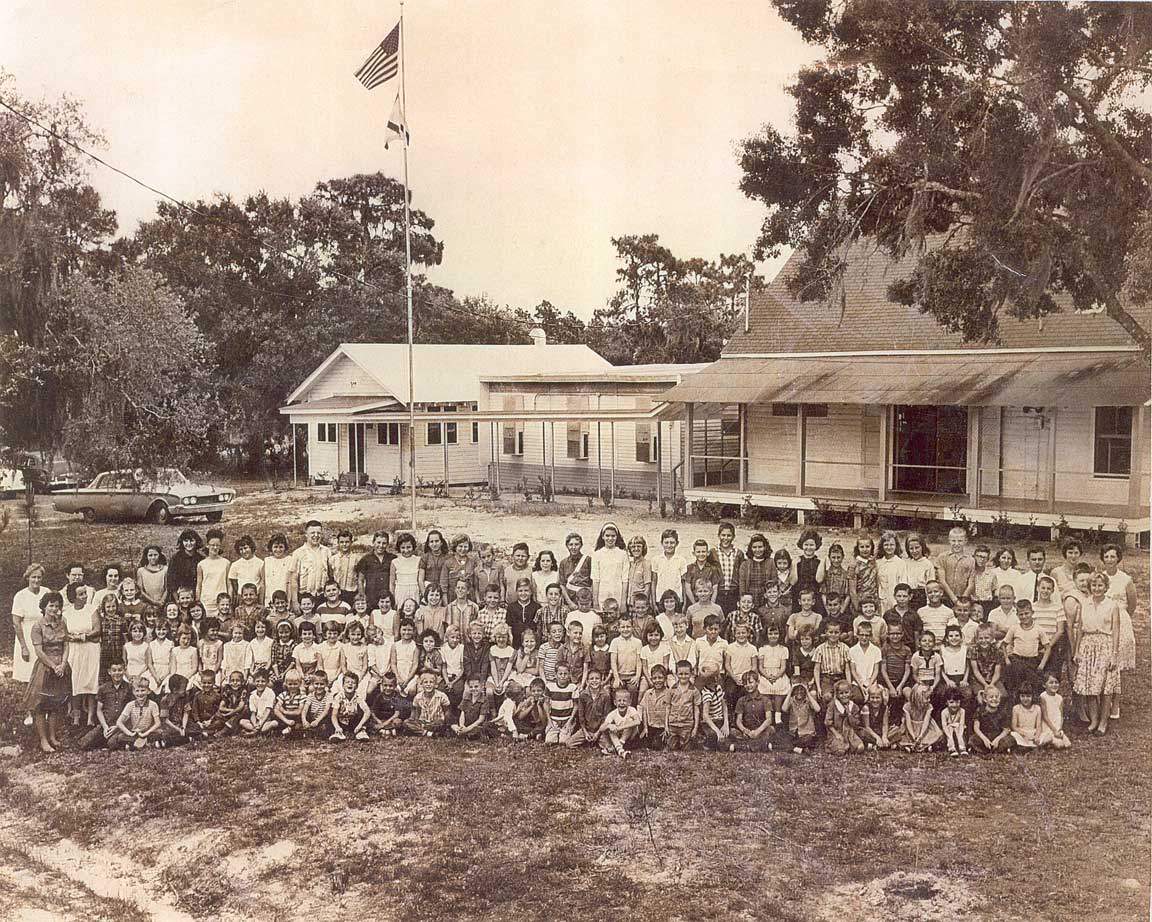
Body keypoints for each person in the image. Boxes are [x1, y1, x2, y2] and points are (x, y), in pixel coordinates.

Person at [1072, 572, 1121, 735]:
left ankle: (1103, 721)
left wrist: (1114, 654)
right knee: (1090, 684)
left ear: (1106, 587)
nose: (1097, 588)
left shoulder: (1112, 605)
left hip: (1105, 646)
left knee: (1105, 687)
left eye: (1100, 585)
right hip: (1087, 645)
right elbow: (1079, 629)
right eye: (1094, 585)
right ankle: (1094, 719)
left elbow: (1115, 631)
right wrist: (1077, 650)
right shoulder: (1084, 604)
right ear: (1090, 587)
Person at [64, 584, 100, 726]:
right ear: (73, 597)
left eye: (85, 593)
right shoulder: (67, 613)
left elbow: (97, 629)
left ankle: (90, 717)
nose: (85, 596)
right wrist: (71, 637)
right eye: (81, 594)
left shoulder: (92, 610)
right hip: (74, 650)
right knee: (75, 683)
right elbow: (64, 632)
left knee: (91, 683)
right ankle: (76, 717)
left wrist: (84, 636)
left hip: (90, 649)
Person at [80, 661, 134, 751]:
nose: (117, 673)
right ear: (109, 672)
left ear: (124, 671)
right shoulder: (103, 688)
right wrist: (105, 727)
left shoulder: (129, 688)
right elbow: (99, 710)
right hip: (106, 724)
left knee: (112, 743)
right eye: (114, 670)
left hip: (122, 725)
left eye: (120, 670)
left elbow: (132, 710)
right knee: (84, 744)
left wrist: (118, 726)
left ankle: (115, 741)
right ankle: (104, 740)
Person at [12, 563, 49, 688]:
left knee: (43, 674)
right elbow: (16, 623)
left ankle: (40, 705)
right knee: (27, 676)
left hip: (44, 636)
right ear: (27, 578)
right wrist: (23, 647)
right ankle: (26, 705)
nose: (36, 580)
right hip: (27, 637)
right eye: (33, 577)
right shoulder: (20, 596)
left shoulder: (46, 592)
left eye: (39, 577)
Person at [289, 521, 332, 612]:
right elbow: (293, 580)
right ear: (306, 534)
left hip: (322, 597)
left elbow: (330, 575)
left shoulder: (327, 551)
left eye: (318, 533)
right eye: (312, 533)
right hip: (304, 598)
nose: (316, 535)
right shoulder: (298, 553)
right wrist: (295, 602)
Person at [110, 677, 161, 750]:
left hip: (148, 732)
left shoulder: (153, 705)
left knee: (159, 733)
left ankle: (138, 743)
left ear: (148, 691)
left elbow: (158, 723)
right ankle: (142, 743)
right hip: (134, 733)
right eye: (137, 691)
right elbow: (119, 722)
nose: (140, 693)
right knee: (119, 738)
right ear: (133, 692)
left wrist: (145, 733)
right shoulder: (130, 705)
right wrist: (129, 733)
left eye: (143, 690)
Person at [591, 523, 628, 610]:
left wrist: (623, 602)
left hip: (617, 592)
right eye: (607, 536)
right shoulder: (597, 555)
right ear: (602, 537)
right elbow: (595, 579)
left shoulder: (623, 554)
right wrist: (595, 601)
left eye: (613, 536)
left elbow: (625, 580)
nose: (610, 539)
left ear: (617, 537)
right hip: (602, 593)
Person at [596, 688, 642, 758]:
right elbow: (601, 728)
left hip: (630, 737)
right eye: (619, 701)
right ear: (615, 702)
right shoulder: (612, 713)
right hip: (618, 737)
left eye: (624, 701)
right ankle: (621, 751)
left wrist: (620, 727)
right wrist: (609, 726)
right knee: (610, 729)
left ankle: (617, 747)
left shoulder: (632, 710)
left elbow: (637, 721)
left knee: (630, 722)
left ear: (629, 702)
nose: (622, 703)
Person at [637, 664, 672, 749]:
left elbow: (669, 711)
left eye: (660, 678)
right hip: (651, 726)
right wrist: (645, 728)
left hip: (662, 727)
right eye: (654, 678)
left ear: (665, 679)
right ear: (651, 679)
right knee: (640, 742)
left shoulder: (669, 693)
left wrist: (667, 727)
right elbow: (644, 710)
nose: (657, 681)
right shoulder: (648, 693)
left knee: (657, 745)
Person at [825, 680, 864, 755]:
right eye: (841, 693)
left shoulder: (854, 706)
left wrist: (849, 714)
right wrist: (837, 734)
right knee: (840, 751)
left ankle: (849, 746)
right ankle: (836, 747)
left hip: (850, 732)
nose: (844, 695)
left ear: (850, 693)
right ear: (837, 695)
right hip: (836, 732)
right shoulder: (833, 705)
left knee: (860, 747)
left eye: (846, 692)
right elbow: (828, 723)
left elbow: (855, 724)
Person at [713, 522, 744, 615]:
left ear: (733, 537)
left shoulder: (738, 553)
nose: (725, 538)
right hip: (718, 594)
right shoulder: (713, 552)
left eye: (729, 535)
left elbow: (741, 575)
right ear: (718, 536)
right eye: (723, 535)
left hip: (733, 594)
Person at [970, 685, 1013, 754]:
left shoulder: (1002, 711)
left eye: (996, 697)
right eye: (991, 697)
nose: (994, 699)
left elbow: (1006, 729)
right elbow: (976, 728)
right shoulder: (980, 710)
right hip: (984, 735)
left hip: (997, 735)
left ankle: (994, 749)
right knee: (973, 739)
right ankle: (988, 749)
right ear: (985, 699)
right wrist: (984, 739)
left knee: (1010, 739)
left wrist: (997, 740)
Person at [652, 528, 690, 605]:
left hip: (677, 600)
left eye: (672, 542)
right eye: (666, 542)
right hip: (660, 599)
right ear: (661, 543)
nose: (669, 545)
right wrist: (653, 602)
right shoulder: (656, 560)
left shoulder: (681, 560)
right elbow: (654, 582)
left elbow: (683, 583)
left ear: (677, 543)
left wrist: (685, 602)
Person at [780, 682, 820, 754]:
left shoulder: (808, 701)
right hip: (794, 732)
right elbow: (784, 709)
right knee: (783, 738)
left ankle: (794, 747)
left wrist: (807, 692)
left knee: (808, 739)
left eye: (801, 690)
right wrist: (790, 691)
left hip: (807, 733)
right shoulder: (792, 700)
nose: (799, 692)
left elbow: (817, 709)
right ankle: (801, 750)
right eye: (796, 690)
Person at [330, 672, 371, 740]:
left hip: (354, 721)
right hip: (341, 720)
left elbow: (367, 712)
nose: (350, 684)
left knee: (363, 712)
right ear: (343, 685)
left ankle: (361, 731)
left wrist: (359, 725)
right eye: (347, 682)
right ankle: (338, 733)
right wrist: (337, 727)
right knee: (331, 714)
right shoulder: (339, 697)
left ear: (357, 686)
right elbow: (334, 715)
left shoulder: (358, 696)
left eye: (353, 683)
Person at [899, 685, 941, 752]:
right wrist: (913, 736)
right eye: (927, 698)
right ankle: (910, 746)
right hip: (912, 728)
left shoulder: (928, 706)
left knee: (931, 736)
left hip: (924, 728)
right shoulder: (908, 706)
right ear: (918, 698)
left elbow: (926, 722)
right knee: (903, 737)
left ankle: (926, 746)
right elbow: (908, 723)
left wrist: (921, 735)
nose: (929, 700)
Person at [792, 528, 825, 613]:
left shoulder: (819, 562)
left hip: (814, 597)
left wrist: (822, 562)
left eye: (811, 545)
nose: (808, 548)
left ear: (816, 546)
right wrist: (794, 565)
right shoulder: (797, 561)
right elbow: (792, 581)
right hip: (799, 596)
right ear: (802, 545)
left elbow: (819, 579)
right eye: (806, 545)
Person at [1010, 683, 1051, 750]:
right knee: (1013, 735)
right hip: (1021, 734)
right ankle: (1026, 746)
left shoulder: (1037, 708)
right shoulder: (1016, 708)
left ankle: (1031, 745)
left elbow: (1038, 726)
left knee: (1048, 735)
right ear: (1019, 696)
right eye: (1022, 696)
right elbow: (1014, 727)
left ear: (1032, 696)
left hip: (1033, 733)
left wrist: (1036, 736)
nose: (1025, 699)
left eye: (1028, 696)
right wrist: (1024, 735)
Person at [166, 530, 203, 599]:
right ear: (182, 542)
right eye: (186, 541)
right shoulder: (175, 559)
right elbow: (171, 582)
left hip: (196, 595)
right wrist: (177, 599)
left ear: (196, 541)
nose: (189, 543)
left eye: (191, 541)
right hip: (179, 596)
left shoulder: (201, 559)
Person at [228, 536, 264, 605]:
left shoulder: (260, 563)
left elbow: (262, 582)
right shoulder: (235, 565)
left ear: (251, 547)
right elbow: (233, 584)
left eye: (245, 548)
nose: (244, 551)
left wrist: (261, 601)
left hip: (256, 597)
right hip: (241, 598)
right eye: (241, 549)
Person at [329, 530, 361, 606]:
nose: (344, 544)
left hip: (352, 593)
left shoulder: (357, 559)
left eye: (347, 542)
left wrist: (359, 593)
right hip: (337, 594)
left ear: (351, 542)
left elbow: (360, 578)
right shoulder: (332, 559)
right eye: (342, 542)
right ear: (338, 543)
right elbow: (331, 577)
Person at [419, 529, 451, 600]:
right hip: (428, 589)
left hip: (443, 590)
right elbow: (420, 579)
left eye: (437, 541)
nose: (434, 544)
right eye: (431, 542)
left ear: (441, 542)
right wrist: (425, 595)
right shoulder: (425, 557)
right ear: (428, 544)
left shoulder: (448, 557)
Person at [136, 545, 169, 610]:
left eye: (155, 555)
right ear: (146, 556)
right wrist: (154, 602)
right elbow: (141, 591)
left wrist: (161, 601)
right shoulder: (141, 571)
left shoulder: (165, 569)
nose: (153, 557)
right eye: (150, 555)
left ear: (159, 555)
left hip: (162, 603)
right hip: (147, 604)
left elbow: (167, 588)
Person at [264, 535, 293, 606]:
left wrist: (290, 600)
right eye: (275, 547)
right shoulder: (267, 561)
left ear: (285, 547)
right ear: (271, 547)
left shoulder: (290, 560)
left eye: (281, 547)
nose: (278, 550)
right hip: (270, 594)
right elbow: (264, 581)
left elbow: (291, 582)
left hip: (285, 593)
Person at [940, 688, 969, 756]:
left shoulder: (962, 711)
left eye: (957, 702)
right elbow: (944, 726)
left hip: (959, 731)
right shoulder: (944, 712)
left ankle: (962, 747)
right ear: (946, 702)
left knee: (957, 725)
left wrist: (959, 736)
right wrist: (950, 737)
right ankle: (952, 747)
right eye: (952, 702)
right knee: (950, 727)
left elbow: (962, 724)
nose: (955, 705)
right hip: (948, 733)